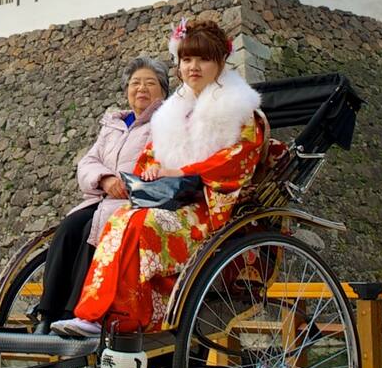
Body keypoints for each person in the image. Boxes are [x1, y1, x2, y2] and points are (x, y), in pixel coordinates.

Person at [52, 20, 265, 335]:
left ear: (221, 62)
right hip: (170, 199)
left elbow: (236, 161)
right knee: (122, 218)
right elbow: (151, 154)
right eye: (187, 59)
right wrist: (151, 168)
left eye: (203, 59)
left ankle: (125, 315)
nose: (193, 67)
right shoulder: (172, 111)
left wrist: (181, 171)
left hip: (207, 206)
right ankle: (96, 314)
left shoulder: (240, 111)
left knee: (140, 223)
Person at [33, 56, 171, 333]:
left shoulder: (166, 122)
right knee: (69, 228)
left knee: (91, 230)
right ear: (126, 91)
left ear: (163, 91)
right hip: (104, 196)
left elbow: (158, 163)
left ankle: (77, 311)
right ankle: (47, 313)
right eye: (135, 83)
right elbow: (88, 161)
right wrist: (105, 179)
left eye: (150, 83)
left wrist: (126, 182)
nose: (141, 89)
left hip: (135, 201)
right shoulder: (114, 125)